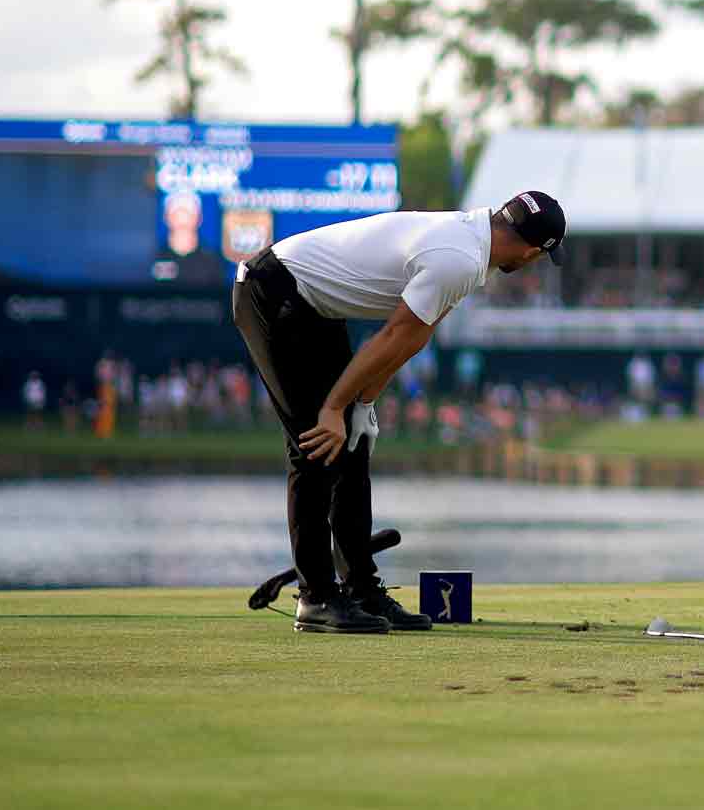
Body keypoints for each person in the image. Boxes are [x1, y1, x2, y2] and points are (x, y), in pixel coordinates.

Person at [232, 191, 565, 635]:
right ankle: (316, 599)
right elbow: (390, 336)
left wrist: (363, 405)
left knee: (351, 444)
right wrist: (333, 407)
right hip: (273, 292)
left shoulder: (471, 245)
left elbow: (413, 338)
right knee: (316, 445)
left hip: (315, 307)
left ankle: (360, 590)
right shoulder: (459, 259)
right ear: (531, 251)